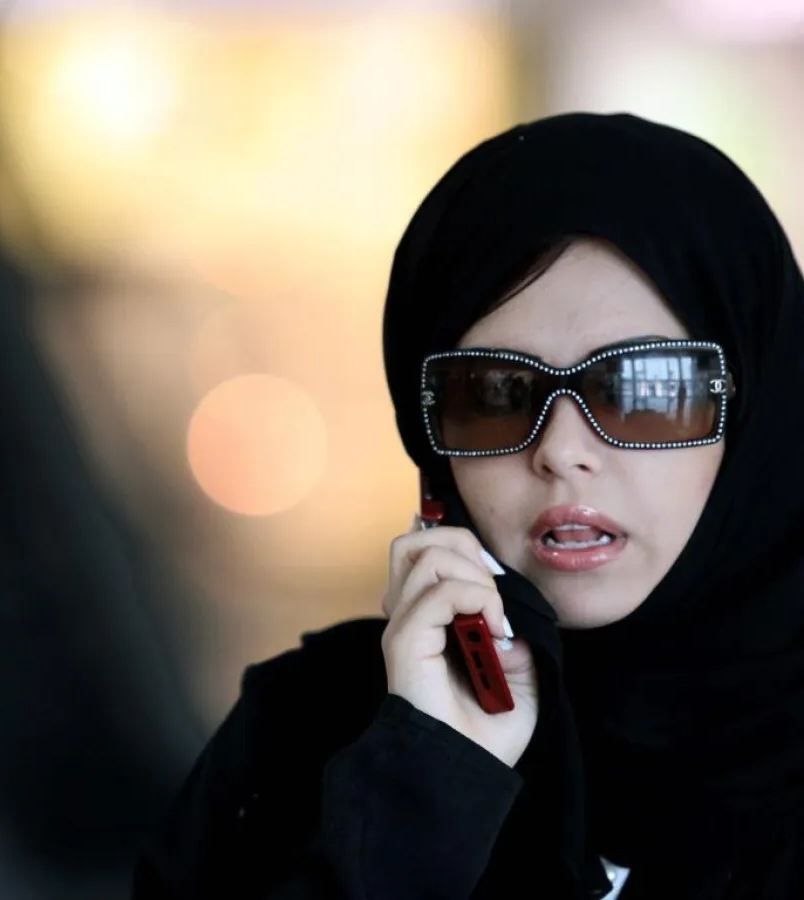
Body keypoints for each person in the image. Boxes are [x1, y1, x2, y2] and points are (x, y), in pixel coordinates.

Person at [131, 112, 804, 899]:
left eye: (640, 388)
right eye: (494, 393)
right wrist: (424, 784)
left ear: (759, 412)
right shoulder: (304, 733)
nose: (561, 450)